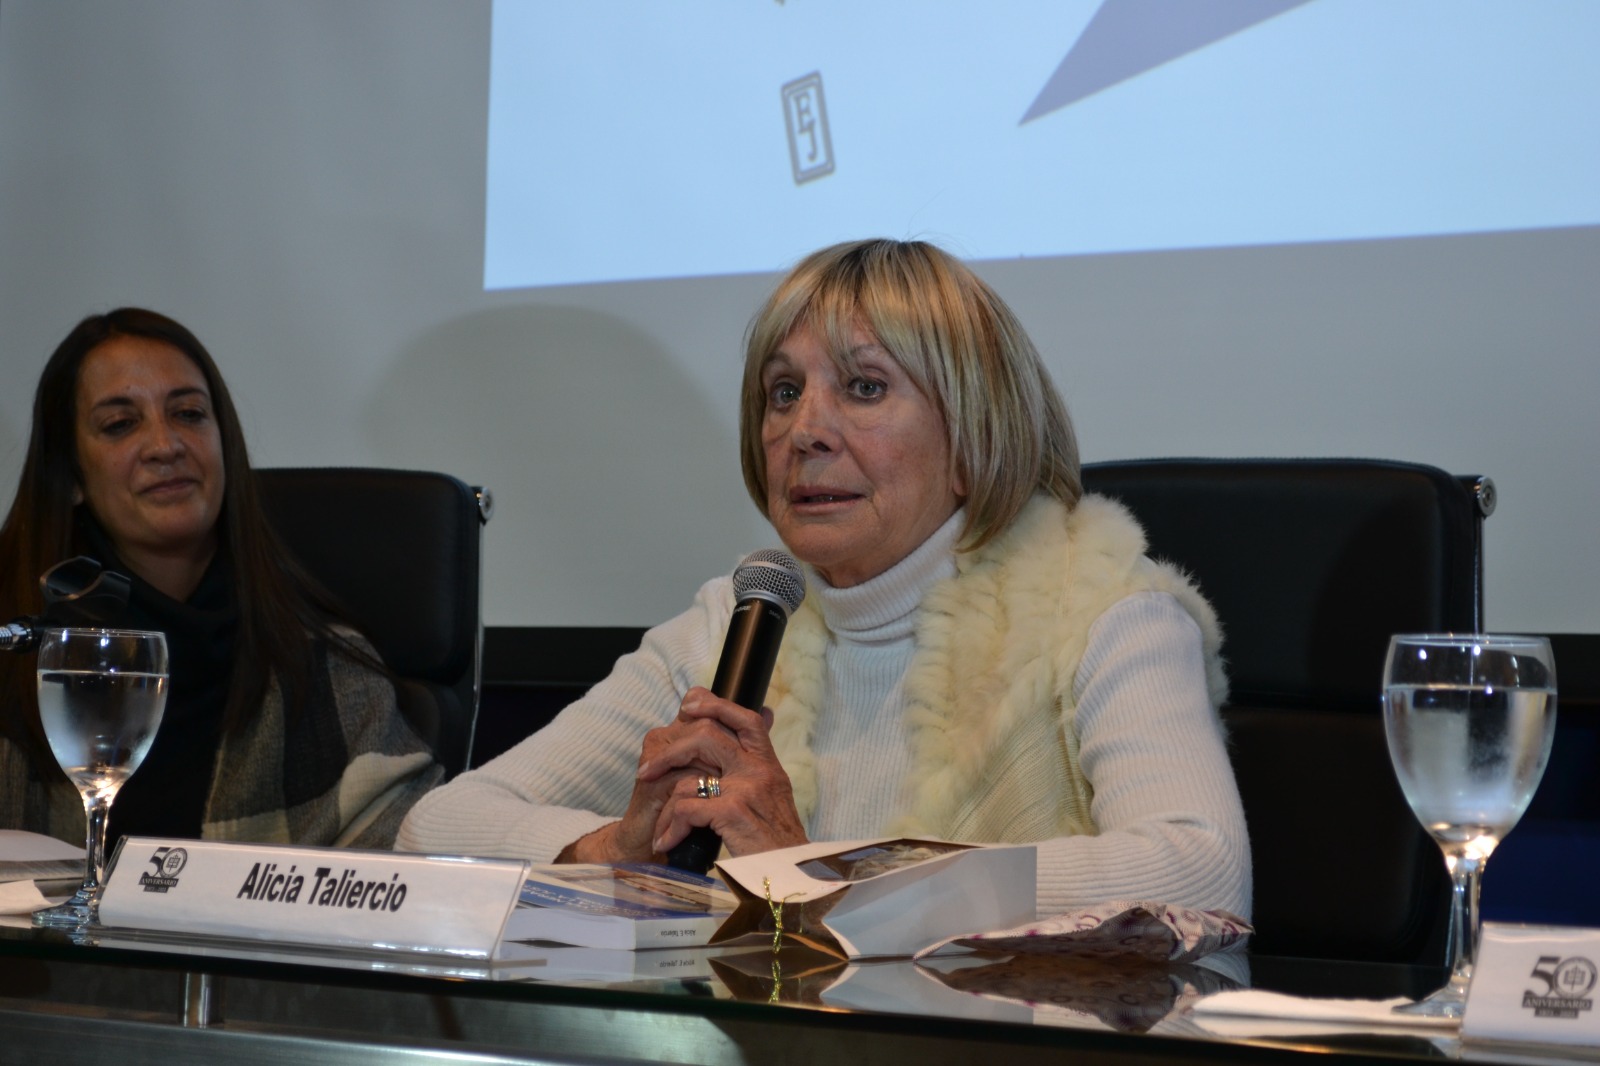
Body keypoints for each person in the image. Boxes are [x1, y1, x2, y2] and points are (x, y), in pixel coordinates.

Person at [398, 239, 1250, 917]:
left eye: (865, 387)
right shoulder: (733, 623)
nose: (804, 429)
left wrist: (819, 878)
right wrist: (615, 850)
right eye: (782, 392)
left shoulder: (1104, 611)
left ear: (975, 435)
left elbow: (1200, 872)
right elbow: (433, 828)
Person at [0, 307, 443, 849]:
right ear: (70, 475)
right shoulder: (15, 651)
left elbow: (410, 852)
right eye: (120, 424)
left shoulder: (329, 675)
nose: (166, 446)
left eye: (188, 414)